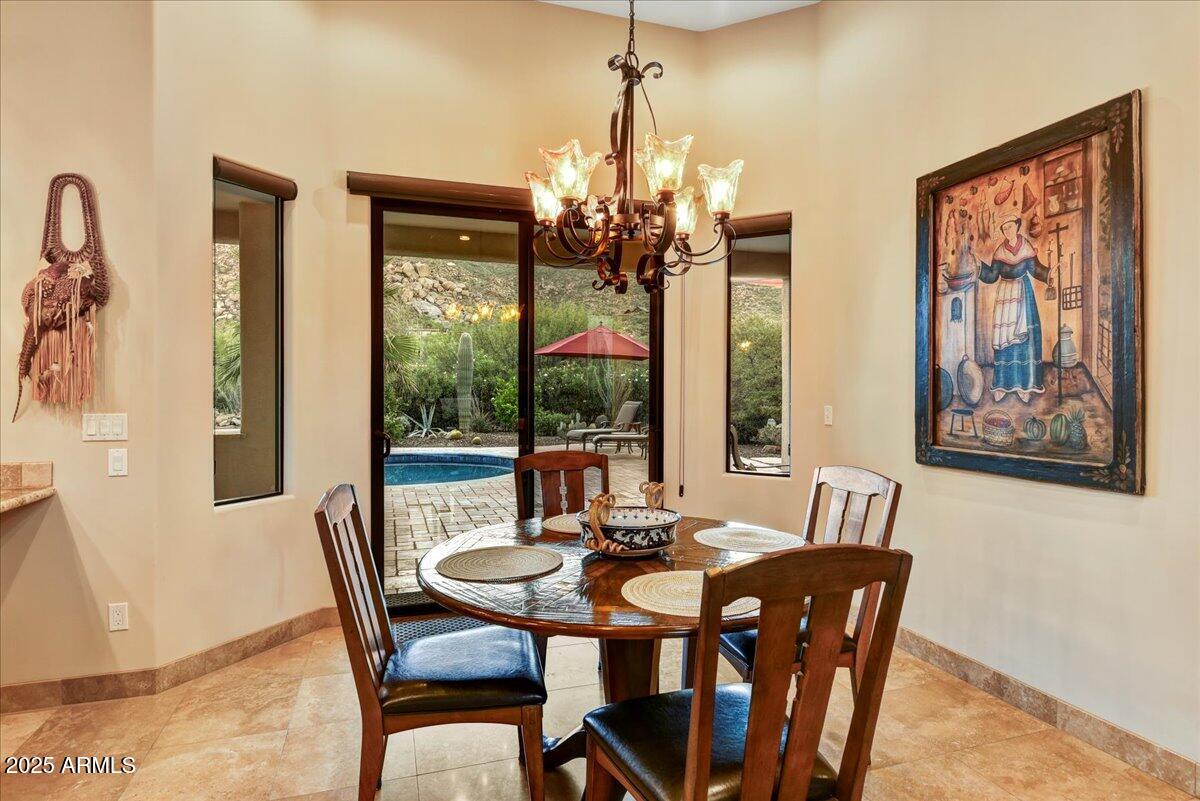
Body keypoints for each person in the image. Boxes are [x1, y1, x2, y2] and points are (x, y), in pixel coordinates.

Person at [977, 214, 1051, 402]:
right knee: (1005, 340)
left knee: (1024, 340)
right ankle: (1003, 384)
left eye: (1010, 227)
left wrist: (1050, 274)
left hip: (1023, 293)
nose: (1007, 231)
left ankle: (1025, 386)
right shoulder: (1000, 251)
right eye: (1004, 228)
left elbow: (1036, 269)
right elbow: (993, 275)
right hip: (1005, 296)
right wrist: (979, 267)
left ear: (1017, 227)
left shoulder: (1026, 246)